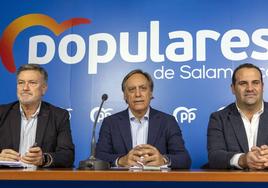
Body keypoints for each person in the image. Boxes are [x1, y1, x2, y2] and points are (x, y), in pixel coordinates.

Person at [96, 69, 191, 169]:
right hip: (122, 183)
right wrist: (120, 161)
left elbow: (184, 159)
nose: (138, 94)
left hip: (158, 182)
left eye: (143, 88)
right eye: (132, 89)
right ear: (125, 96)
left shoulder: (167, 121)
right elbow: (99, 157)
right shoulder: (111, 123)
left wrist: (163, 160)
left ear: (150, 93)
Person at [0, 64, 74, 167]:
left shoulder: (59, 116)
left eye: (32, 83)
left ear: (43, 89)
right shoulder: (2, 113)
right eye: (21, 83)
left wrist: (44, 159)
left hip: (41, 180)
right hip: (7, 179)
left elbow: (67, 155)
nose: (25, 88)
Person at [207, 63, 268, 169]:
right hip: (233, 184)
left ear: (262, 87)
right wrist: (242, 159)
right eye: (243, 83)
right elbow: (215, 156)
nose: (250, 88)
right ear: (233, 88)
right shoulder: (218, 118)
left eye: (255, 83)